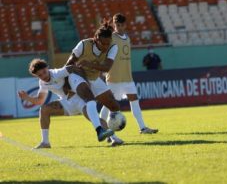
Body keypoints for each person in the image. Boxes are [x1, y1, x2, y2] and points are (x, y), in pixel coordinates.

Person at [18, 59, 114, 149]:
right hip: (66, 102)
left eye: (44, 72)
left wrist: (85, 82)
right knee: (44, 109)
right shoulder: (42, 83)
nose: (43, 76)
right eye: (40, 75)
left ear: (47, 68)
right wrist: (27, 98)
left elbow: (72, 68)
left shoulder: (57, 73)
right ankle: (45, 142)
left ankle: (113, 137)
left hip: (80, 99)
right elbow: (40, 101)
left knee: (94, 119)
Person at [100, 13, 158, 146]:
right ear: (114, 25)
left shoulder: (127, 38)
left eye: (121, 25)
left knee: (134, 100)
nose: (118, 27)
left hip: (127, 77)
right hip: (114, 77)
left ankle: (143, 127)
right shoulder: (111, 37)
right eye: (116, 25)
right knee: (108, 105)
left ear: (125, 25)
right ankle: (104, 129)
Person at [65, 20, 123, 146]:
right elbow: (69, 63)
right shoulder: (83, 44)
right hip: (77, 76)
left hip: (93, 77)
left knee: (114, 106)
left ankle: (109, 131)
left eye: (108, 43)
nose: (106, 46)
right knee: (90, 101)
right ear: (96, 38)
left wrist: (89, 64)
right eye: (103, 43)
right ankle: (109, 135)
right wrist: (66, 83)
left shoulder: (113, 47)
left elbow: (107, 67)